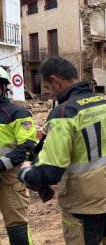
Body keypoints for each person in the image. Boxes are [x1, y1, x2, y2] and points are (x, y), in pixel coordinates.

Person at [17, 57, 106, 245]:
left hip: (84, 208)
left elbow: (49, 172)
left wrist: (25, 172)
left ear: (56, 81)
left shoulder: (63, 113)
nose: (51, 94)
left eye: (49, 88)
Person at [0, 67, 36, 244]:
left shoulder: (17, 114)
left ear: (3, 87)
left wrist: (1, 164)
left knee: (17, 228)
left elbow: (27, 145)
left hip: (10, 178)